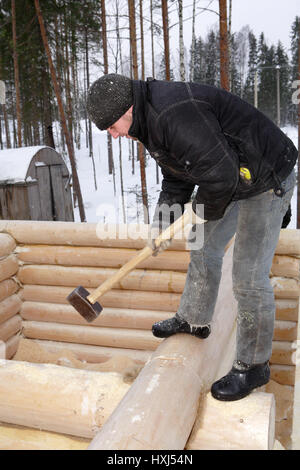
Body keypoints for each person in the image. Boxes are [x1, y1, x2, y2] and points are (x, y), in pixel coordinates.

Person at [86, 73, 297, 401]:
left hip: (266, 175)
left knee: (248, 277)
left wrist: (199, 211)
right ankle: (195, 320)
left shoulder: (174, 114)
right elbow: (176, 174)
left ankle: (254, 364)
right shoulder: (149, 121)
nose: (113, 136)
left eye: (112, 127)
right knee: (203, 244)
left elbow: (220, 179)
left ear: (127, 109)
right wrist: (163, 223)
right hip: (233, 171)